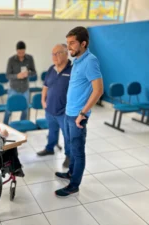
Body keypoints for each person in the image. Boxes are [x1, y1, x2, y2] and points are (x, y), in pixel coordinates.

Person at [55, 27, 103, 197]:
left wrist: (83, 113)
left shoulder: (90, 61)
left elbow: (98, 90)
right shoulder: (77, 60)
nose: (69, 47)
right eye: (67, 43)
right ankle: (70, 173)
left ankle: (74, 184)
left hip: (78, 115)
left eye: (72, 43)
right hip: (69, 112)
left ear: (83, 43)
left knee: (77, 150)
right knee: (70, 145)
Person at [37, 44, 72, 168]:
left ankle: (69, 155)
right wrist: (43, 100)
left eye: (58, 53)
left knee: (67, 134)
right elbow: (45, 86)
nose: (55, 56)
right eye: (53, 54)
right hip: (50, 109)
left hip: (64, 111)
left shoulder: (72, 70)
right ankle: (49, 148)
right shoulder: (51, 69)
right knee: (52, 131)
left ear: (66, 53)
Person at [4, 41, 36, 125]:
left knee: (25, 109)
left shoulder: (30, 58)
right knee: (9, 109)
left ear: (25, 50)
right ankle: (5, 126)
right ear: (16, 51)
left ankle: (22, 127)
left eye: (23, 52)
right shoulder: (11, 60)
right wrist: (17, 76)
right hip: (13, 88)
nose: (21, 54)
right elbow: (8, 75)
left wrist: (28, 73)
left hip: (25, 88)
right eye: (19, 52)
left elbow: (34, 72)